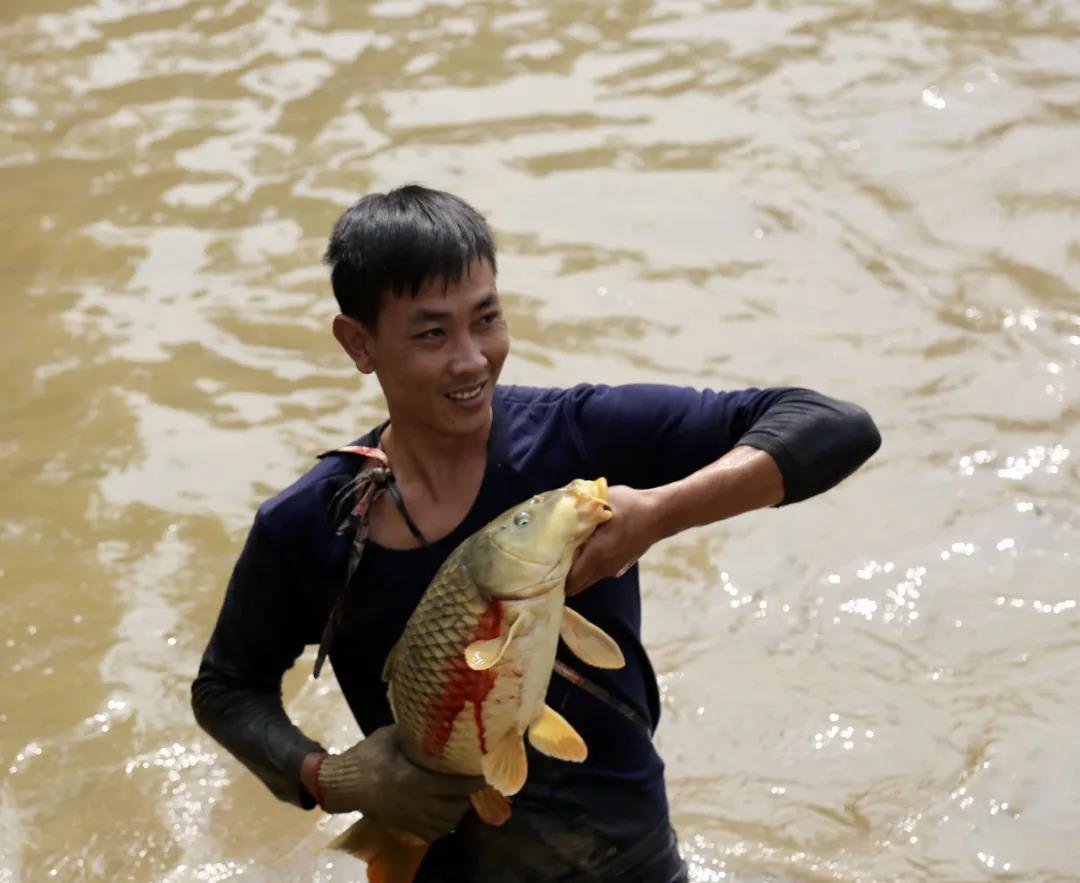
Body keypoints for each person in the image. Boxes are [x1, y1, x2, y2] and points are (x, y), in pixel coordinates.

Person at [192, 185, 881, 882]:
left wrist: (657, 515)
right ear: (359, 342)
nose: (471, 359)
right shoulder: (313, 523)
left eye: (486, 318)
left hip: (632, 863)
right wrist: (330, 776)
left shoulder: (579, 440)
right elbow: (226, 687)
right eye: (432, 333)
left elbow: (833, 425)